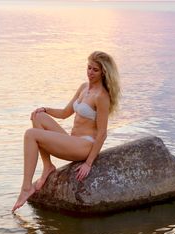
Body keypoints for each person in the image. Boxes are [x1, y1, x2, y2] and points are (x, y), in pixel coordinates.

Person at [12, 51, 121, 213]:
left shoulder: (101, 97)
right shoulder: (84, 88)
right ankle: (48, 166)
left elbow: (102, 133)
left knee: (30, 134)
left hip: (85, 146)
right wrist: (45, 109)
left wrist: (88, 163)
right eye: (89, 68)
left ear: (104, 72)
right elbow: (65, 113)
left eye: (95, 70)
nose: (90, 72)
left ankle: (26, 187)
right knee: (38, 116)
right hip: (73, 141)